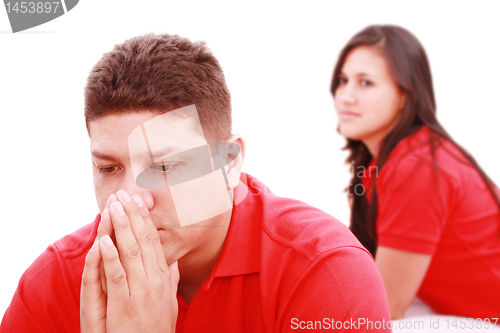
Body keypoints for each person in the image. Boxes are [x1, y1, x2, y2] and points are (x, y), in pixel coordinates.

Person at [1, 33, 391, 332]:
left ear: (229, 163)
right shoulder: (56, 281)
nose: (132, 200)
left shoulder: (325, 272)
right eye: (108, 169)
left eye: (166, 166)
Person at [331, 24, 500, 323]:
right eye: (343, 81)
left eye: (366, 83)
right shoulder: (387, 162)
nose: (345, 96)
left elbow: (383, 308)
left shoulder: (417, 168)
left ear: (406, 95)